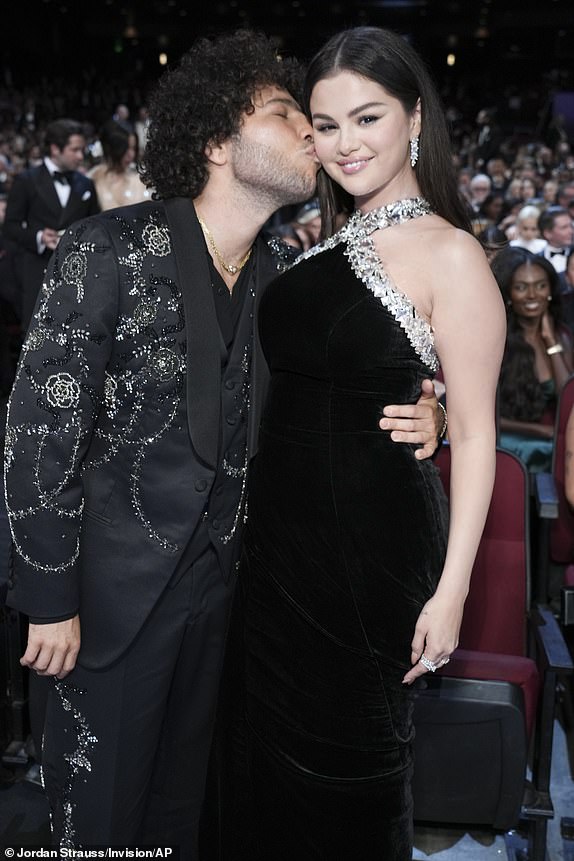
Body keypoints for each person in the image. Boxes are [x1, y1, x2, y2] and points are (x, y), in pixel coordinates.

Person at [3, 30, 442, 857]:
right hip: (102, 608)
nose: (315, 137)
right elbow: (39, 428)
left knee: (185, 821)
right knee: (97, 827)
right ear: (214, 141)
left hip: (231, 609)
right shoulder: (110, 249)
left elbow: (341, 400)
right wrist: (48, 595)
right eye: (288, 114)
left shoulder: (291, 279)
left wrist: (436, 414)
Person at [207, 25, 505, 861]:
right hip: (275, 552)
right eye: (326, 125)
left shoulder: (452, 255)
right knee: (261, 765)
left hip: (369, 555)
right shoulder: (320, 245)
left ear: (414, 118)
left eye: (367, 118)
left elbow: (478, 437)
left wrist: (451, 596)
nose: (345, 144)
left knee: (349, 771)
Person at [3, 118, 99, 331]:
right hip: (36, 273)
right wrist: (38, 237)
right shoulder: (26, 180)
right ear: (55, 149)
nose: (80, 156)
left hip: (77, 276)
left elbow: (96, 227)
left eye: (82, 150)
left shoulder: (86, 184)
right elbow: (10, 227)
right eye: (75, 150)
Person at [493, 246, 573, 472]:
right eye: (521, 287)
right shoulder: (497, 341)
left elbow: (566, 397)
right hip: (507, 441)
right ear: (509, 294)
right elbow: (489, 415)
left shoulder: (562, 336)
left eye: (540, 286)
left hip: (552, 442)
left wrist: (550, 342)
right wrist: (542, 431)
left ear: (550, 290)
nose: (532, 295)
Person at [88, 120, 151, 210]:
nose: (131, 154)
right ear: (112, 148)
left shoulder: (141, 177)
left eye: (133, 148)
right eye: (125, 149)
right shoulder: (94, 178)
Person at [537, 205, 574, 274]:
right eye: (564, 227)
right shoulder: (537, 261)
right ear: (547, 233)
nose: (571, 231)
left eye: (571, 226)